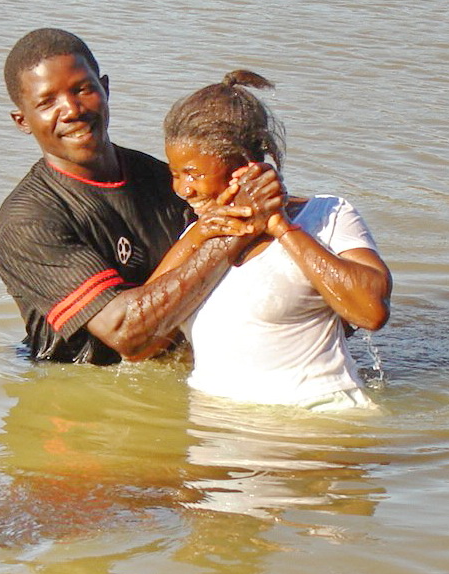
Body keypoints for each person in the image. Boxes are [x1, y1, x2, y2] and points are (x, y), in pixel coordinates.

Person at [0, 28, 285, 365]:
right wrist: (233, 231)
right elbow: (128, 337)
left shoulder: (165, 180)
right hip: (86, 392)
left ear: (105, 89)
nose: (71, 109)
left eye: (82, 89)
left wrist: (266, 200)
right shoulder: (29, 222)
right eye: (47, 102)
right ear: (22, 120)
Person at [155, 70, 392, 410]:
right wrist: (203, 233)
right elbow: (139, 331)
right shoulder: (199, 234)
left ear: (245, 167)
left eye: (193, 174)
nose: (182, 189)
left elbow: (371, 312)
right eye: (175, 174)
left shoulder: (326, 215)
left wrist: (279, 226)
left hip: (319, 429)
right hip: (215, 434)